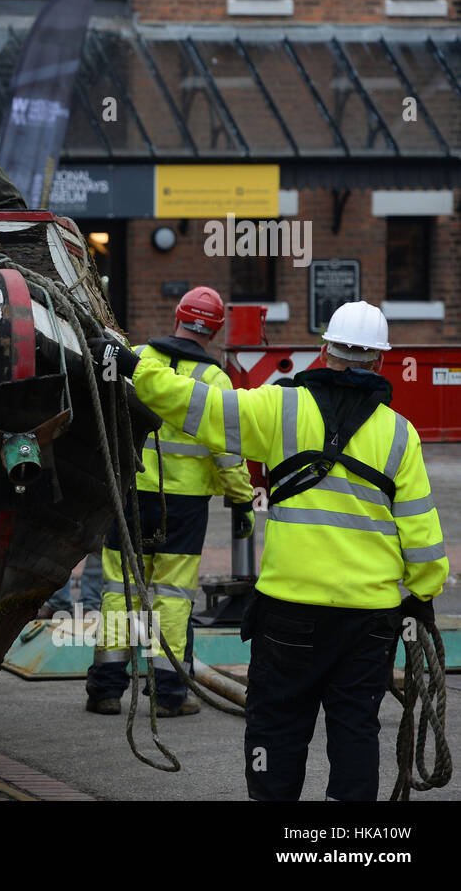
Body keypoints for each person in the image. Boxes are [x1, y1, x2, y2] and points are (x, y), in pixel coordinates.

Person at [89, 300, 448, 801]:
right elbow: (425, 543)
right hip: (369, 622)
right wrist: (421, 594)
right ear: (381, 362)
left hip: (288, 617)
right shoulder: (400, 435)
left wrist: (133, 364)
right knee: (356, 734)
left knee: (276, 731)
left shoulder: (279, 409)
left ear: (324, 351)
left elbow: (197, 405)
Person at [85, 286, 254, 718]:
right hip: (183, 507)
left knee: (120, 589)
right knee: (173, 596)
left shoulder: (137, 357)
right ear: (215, 330)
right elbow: (228, 450)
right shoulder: (215, 381)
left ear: (177, 316)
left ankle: (106, 690)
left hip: (129, 494)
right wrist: (241, 501)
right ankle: (169, 695)